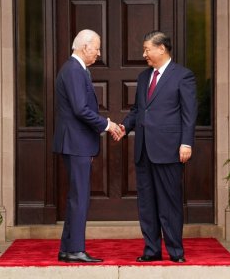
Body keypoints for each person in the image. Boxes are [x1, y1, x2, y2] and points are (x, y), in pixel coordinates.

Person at [119, 30, 197, 263]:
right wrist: (124, 127)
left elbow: (189, 113)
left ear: (161, 48)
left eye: (147, 49)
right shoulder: (144, 77)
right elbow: (137, 110)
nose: (144, 54)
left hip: (170, 150)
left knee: (169, 203)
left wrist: (186, 143)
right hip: (144, 150)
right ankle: (151, 250)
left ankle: (175, 252)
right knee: (147, 204)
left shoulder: (183, 76)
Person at [53, 29, 121, 263]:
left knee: (77, 196)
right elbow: (80, 109)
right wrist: (108, 125)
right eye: (97, 48)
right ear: (85, 47)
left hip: (77, 142)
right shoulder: (74, 70)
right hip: (76, 142)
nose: (99, 53)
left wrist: (106, 124)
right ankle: (76, 250)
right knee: (79, 197)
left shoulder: (77, 69)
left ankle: (67, 248)